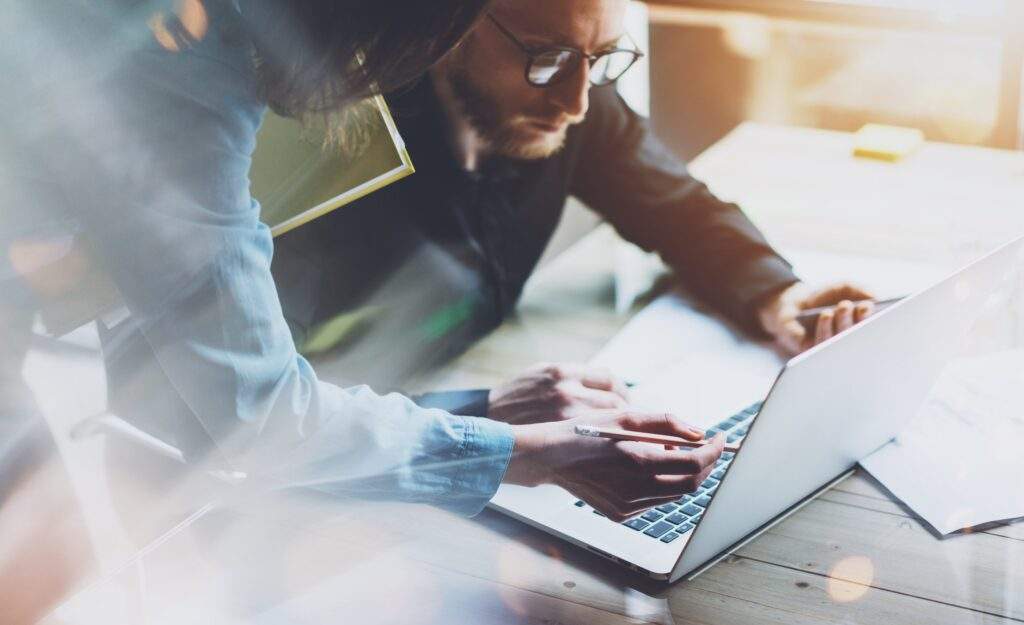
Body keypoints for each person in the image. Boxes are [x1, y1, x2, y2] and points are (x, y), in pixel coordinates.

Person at [2, 0, 722, 544]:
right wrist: (524, 454)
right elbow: (247, 414)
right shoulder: (189, 71)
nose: (575, 99)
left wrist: (485, 417)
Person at [270, 0, 876, 422]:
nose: (578, 102)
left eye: (602, 57)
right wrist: (483, 413)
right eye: (547, 57)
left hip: (469, 388)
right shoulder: (324, 166)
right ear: (448, 23)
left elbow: (676, 207)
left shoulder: (565, 98)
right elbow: (261, 409)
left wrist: (776, 295)